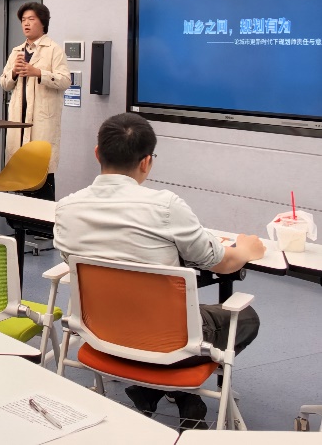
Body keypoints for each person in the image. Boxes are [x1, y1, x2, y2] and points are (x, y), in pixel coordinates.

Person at [53, 112, 264, 430]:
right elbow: (220, 262)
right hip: (164, 340)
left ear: (97, 153)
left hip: (100, 334)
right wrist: (246, 250)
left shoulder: (66, 208)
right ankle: (174, 392)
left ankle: (152, 392)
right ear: (146, 162)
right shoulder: (166, 206)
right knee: (246, 318)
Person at [0, 1, 70, 201]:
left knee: (41, 177)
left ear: (43, 23)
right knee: (18, 175)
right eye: (23, 20)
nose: (26, 24)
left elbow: (65, 80)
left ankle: (42, 219)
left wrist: (38, 73)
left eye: (31, 19)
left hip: (41, 123)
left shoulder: (54, 50)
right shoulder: (17, 51)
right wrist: (14, 72)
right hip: (18, 122)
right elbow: (4, 83)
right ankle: (16, 216)